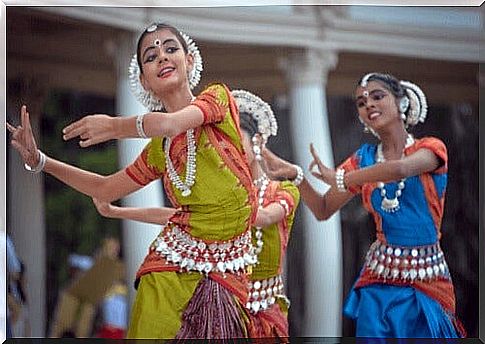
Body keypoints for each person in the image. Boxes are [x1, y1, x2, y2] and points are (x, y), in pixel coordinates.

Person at [7, 22, 259, 339]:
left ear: (190, 60)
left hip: (230, 271)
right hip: (170, 269)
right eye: (151, 56)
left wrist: (115, 127)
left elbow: (172, 123)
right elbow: (105, 188)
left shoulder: (218, 98)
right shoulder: (160, 152)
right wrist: (40, 161)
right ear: (144, 80)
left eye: (170, 49)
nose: (163, 58)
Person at [261, 72, 465, 338]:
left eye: (378, 96)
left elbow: (401, 169)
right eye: (360, 102)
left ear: (402, 102)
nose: (368, 104)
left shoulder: (430, 148)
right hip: (378, 280)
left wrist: (343, 178)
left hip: (427, 282)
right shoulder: (363, 159)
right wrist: (296, 175)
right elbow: (323, 209)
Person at [91, 90, 301, 339]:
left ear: (257, 142)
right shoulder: (217, 197)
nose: (229, 149)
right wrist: (117, 211)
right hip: (227, 296)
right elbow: (175, 217)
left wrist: (217, 211)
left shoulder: (284, 191)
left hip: (264, 311)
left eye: (236, 140)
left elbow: (264, 217)